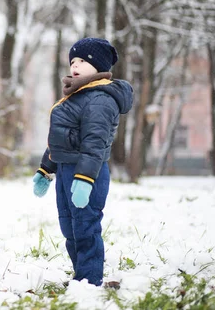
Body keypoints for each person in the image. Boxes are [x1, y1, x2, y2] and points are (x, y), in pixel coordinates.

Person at [32, 37, 133, 286]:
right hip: (67, 171)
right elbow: (61, 139)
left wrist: (86, 178)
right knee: (69, 227)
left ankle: (90, 279)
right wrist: (46, 169)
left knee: (85, 226)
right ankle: (81, 275)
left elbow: (94, 143)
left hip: (88, 173)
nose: (75, 65)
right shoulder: (76, 95)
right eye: (73, 60)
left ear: (98, 66)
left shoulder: (100, 98)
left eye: (82, 61)